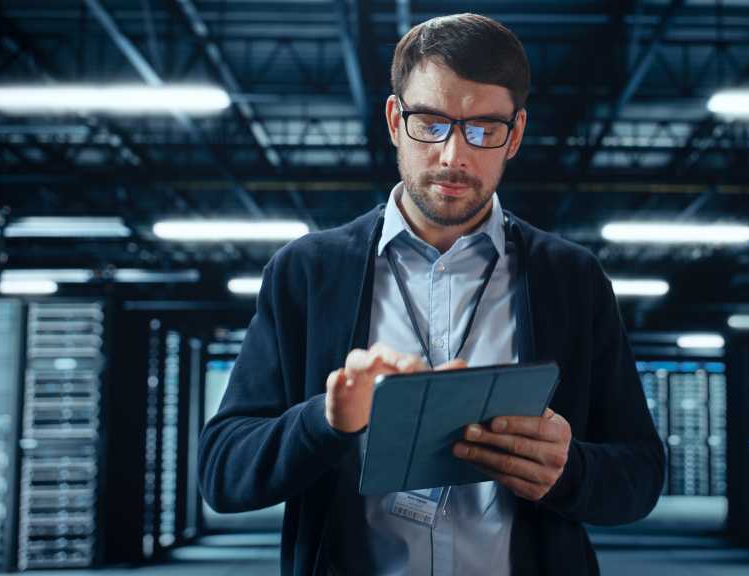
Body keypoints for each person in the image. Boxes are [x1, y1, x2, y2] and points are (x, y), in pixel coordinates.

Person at [199, 13, 664, 576]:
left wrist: (571, 471)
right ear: (395, 120)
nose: (453, 156)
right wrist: (326, 420)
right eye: (431, 124)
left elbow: (641, 473)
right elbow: (222, 472)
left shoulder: (572, 278)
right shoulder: (307, 273)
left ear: (516, 134)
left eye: (483, 129)